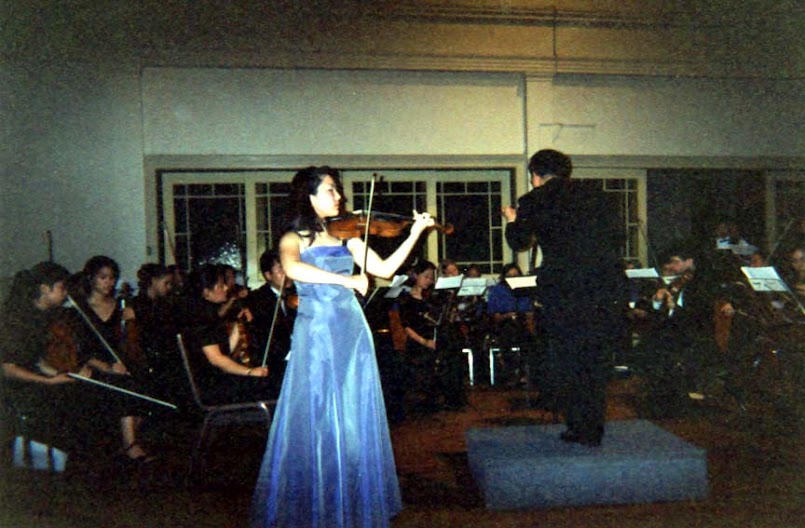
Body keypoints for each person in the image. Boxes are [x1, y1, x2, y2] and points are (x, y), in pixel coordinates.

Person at [250, 166, 434, 528]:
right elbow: (294, 269)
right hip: (318, 332)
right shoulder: (293, 237)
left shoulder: (345, 234)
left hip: (352, 330)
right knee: (318, 412)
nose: (340, 197)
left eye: (338, 190)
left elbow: (384, 268)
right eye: (331, 190)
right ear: (309, 196)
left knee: (352, 414)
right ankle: (317, 504)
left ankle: (349, 502)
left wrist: (415, 233)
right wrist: (345, 280)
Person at [502, 149, 627, 446]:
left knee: (567, 359)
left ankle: (577, 426)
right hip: (604, 287)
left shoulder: (534, 200)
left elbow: (519, 241)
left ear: (536, 175)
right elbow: (618, 237)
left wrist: (513, 219)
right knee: (594, 360)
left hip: (564, 290)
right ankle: (594, 427)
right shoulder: (599, 196)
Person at [0, 262, 155, 463]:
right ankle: (93, 455)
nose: (66, 293)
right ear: (45, 289)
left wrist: (71, 370)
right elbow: (9, 369)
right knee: (91, 395)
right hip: (25, 388)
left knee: (122, 383)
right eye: (62, 288)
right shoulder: (18, 320)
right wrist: (50, 379)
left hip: (48, 377)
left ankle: (116, 448)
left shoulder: (53, 315)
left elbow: (48, 358)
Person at [179, 265, 273, 405]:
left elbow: (225, 350)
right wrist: (250, 371)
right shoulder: (200, 318)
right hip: (212, 386)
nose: (226, 288)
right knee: (269, 384)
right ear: (206, 292)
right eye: (220, 285)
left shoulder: (207, 312)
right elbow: (216, 359)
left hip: (217, 379)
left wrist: (239, 325)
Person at [246, 249, 296, 391]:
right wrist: (293, 354)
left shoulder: (296, 294)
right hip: (274, 364)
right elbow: (266, 339)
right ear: (268, 275)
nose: (287, 274)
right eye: (281, 269)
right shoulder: (257, 300)